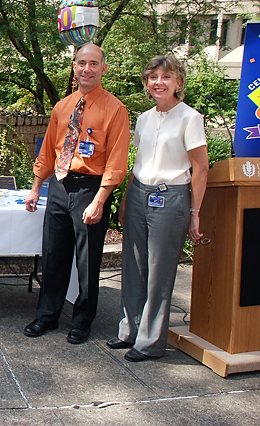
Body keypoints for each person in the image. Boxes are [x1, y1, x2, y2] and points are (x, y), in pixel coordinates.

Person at [23, 43, 130, 344]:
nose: (87, 69)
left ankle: (82, 321)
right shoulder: (62, 106)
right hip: (59, 185)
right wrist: (35, 188)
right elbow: (48, 152)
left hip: (90, 189)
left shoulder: (115, 109)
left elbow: (117, 162)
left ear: (103, 68)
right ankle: (47, 316)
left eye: (93, 63)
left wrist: (100, 200)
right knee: (54, 256)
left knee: (87, 261)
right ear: (74, 66)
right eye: (81, 63)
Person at [107, 55, 208, 362]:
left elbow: (200, 168)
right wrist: (126, 199)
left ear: (179, 82)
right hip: (139, 194)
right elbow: (138, 164)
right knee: (133, 266)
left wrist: (195, 212)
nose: (159, 83)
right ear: (146, 84)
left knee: (159, 273)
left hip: (171, 197)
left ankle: (151, 343)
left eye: (166, 77)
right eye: (153, 78)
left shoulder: (190, 118)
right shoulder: (144, 119)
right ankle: (131, 330)